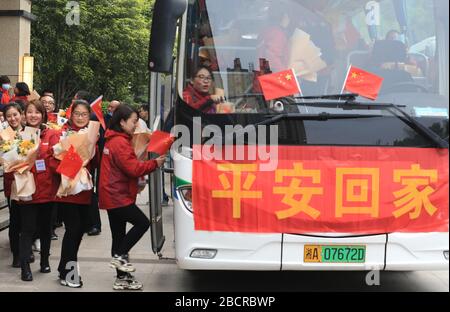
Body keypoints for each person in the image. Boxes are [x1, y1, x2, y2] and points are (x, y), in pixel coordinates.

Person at [99, 104, 165, 290]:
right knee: (142, 223)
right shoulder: (119, 142)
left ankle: (122, 278)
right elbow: (133, 168)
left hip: (113, 193)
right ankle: (119, 256)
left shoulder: (115, 139)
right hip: (116, 195)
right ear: (122, 122)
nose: (136, 125)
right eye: (134, 122)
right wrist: (155, 163)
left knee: (118, 235)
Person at [56, 100, 99, 288]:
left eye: (84, 114)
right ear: (71, 115)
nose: (81, 118)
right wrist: (73, 163)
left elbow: (95, 162)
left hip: (84, 189)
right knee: (73, 230)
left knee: (79, 230)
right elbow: (53, 159)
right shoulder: (62, 133)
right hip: (68, 189)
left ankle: (63, 267)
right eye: (77, 114)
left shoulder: (92, 133)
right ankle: (70, 274)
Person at [15, 100, 60, 281]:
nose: (33, 115)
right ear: (25, 115)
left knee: (45, 229)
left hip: (48, 190)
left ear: (43, 115)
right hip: (28, 190)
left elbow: (58, 160)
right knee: (27, 229)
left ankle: (44, 261)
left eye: (37, 112)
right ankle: (25, 266)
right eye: (30, 112)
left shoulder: (52, 135)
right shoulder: (18, 135)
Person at [2, 103, 35, 267]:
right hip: (12, 182)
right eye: (9, 116)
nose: (13, 118)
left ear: (21, 114)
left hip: (28, 181)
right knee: (15, 220)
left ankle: (27, 249)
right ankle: (16, 254)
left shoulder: (30, 132)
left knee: (28, 220)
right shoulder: (3, 135)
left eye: (15, 114)